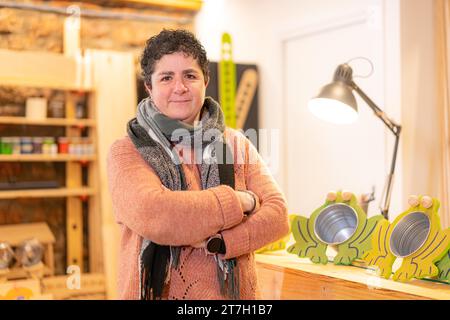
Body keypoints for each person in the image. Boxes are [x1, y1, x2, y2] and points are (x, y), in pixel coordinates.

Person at [107, 29, 289, 300]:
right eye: (166, 77)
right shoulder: (127, 151)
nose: (179, 87)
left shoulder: (237, 144)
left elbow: (278, 216)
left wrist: (222, 242)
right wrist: (243, 202)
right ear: (149, 86)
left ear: (205, 80)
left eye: (190, 75)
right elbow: (158, 215)